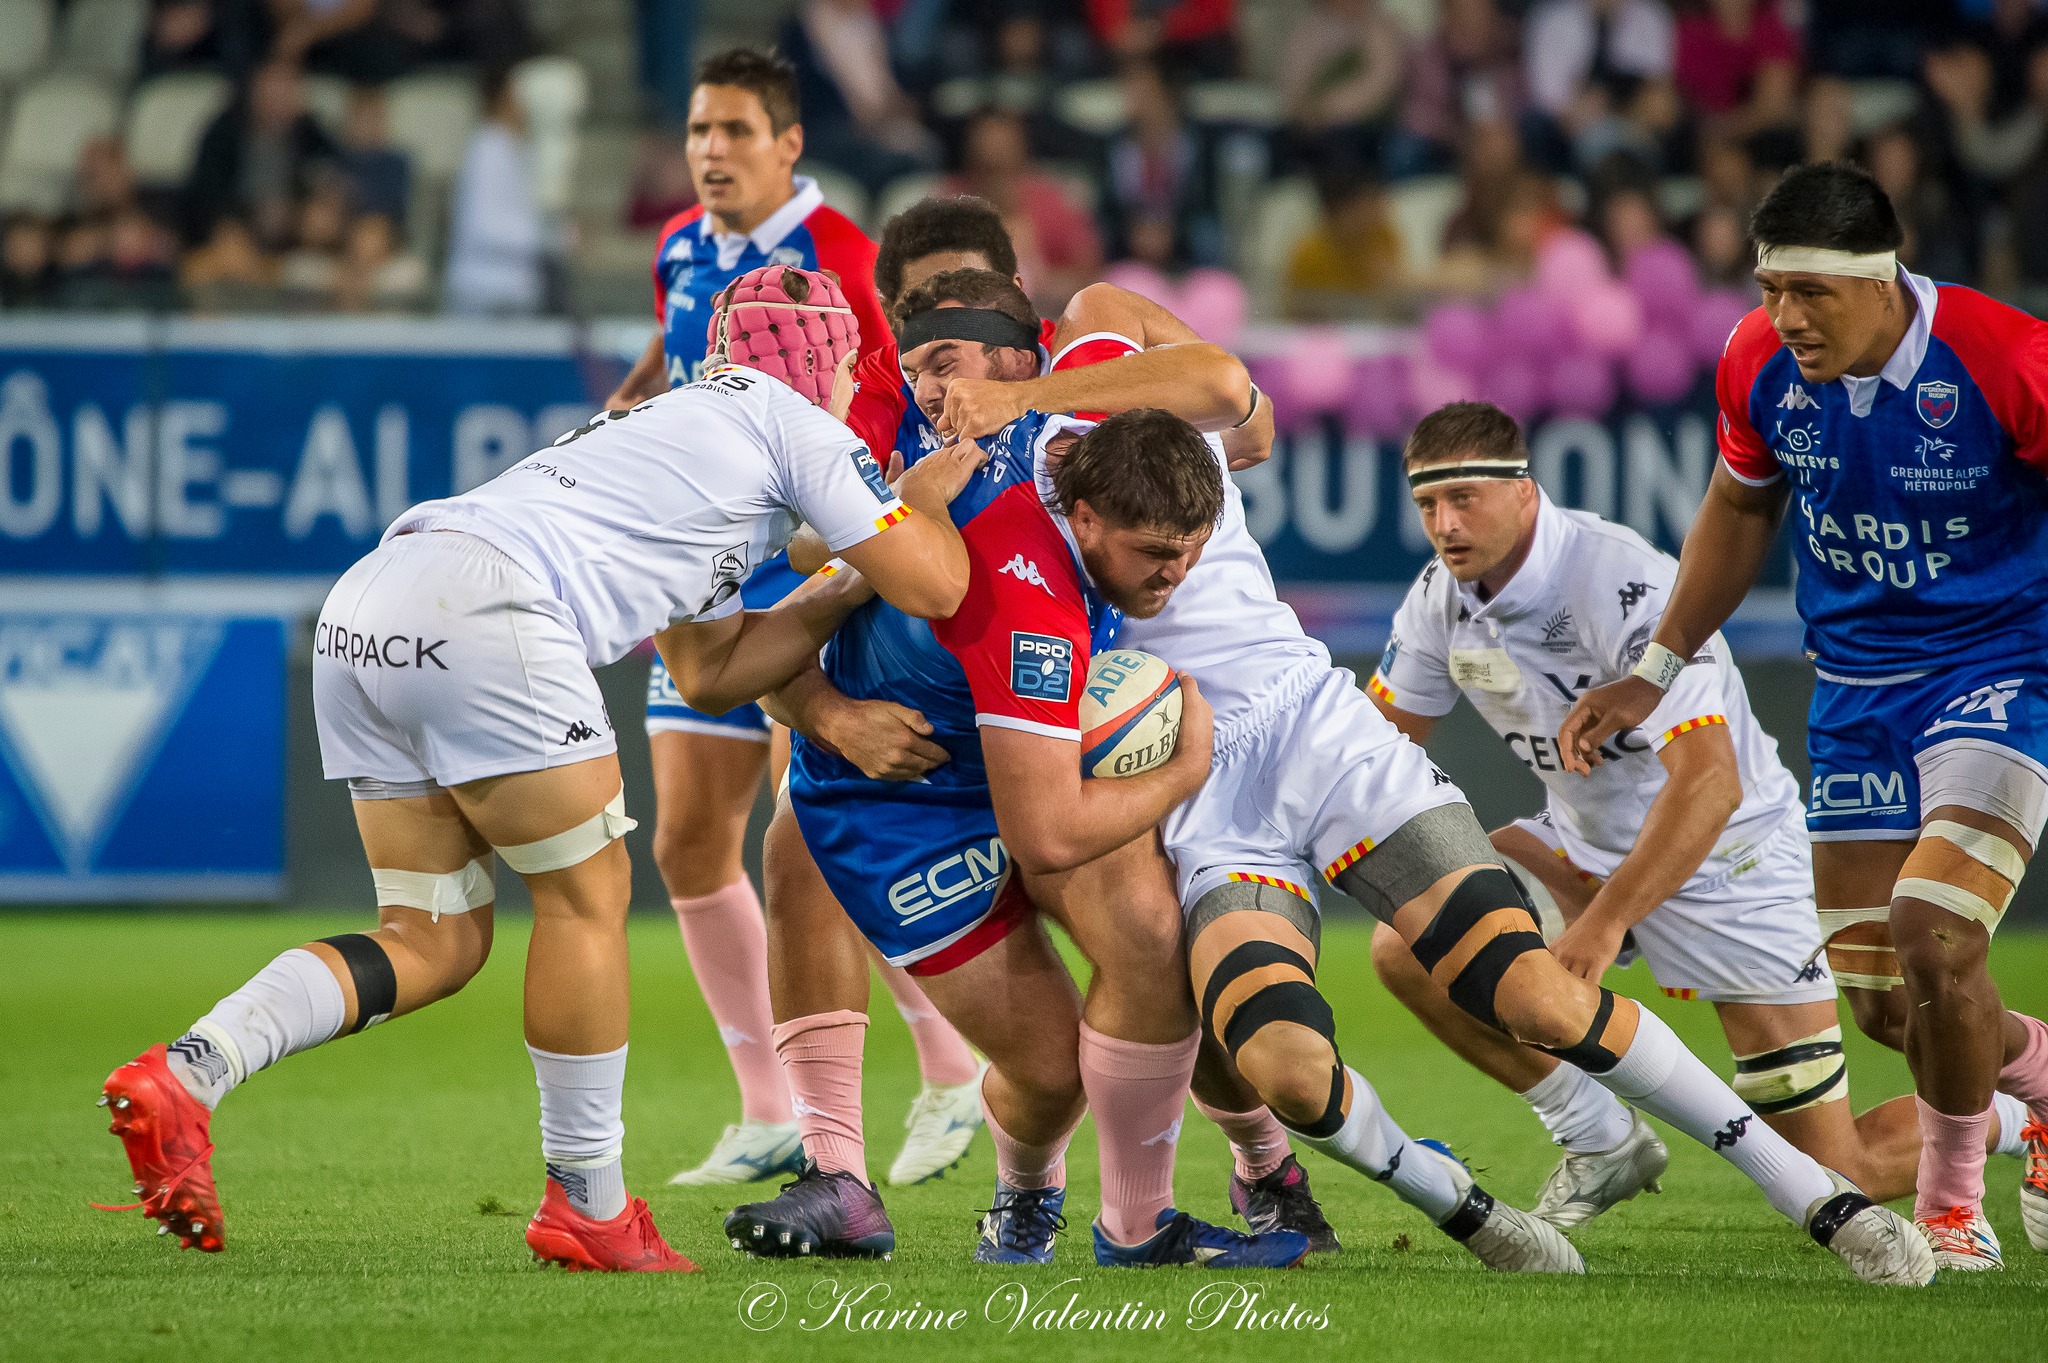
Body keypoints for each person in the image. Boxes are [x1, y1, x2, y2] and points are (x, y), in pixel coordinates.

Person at [97, 265, 981, 1272]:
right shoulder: (801, 425)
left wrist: (827, 584)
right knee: (585, 896)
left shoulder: (676, 429)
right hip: (490, 608)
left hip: (373, 601)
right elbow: (937, 585)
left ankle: (188, 1071)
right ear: (833, 365)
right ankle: (589, 1206)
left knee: (430, 938)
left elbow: (710, 671)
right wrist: (915, 504)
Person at [1368, 400, 2035, 1228]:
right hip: (1580, 850)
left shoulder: (1621, 583)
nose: (1444, 522)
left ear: (1526, 492)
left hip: (1732, 863)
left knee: (1835, 1165)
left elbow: (1710, 786)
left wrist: (1608, 922)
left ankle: (2022, 1117)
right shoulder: (1440, 598)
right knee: (1408, 938)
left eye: (1464, 497)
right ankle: (1597, 1132)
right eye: (1428, 504)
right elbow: (1375, 748)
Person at [734, 321, 1313, 1267]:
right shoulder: (868, 456)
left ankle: (1196, 1195)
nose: (931, 384)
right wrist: (829, 715)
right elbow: (737, 637)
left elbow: (1222, 385)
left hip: (1031, 752)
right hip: (919, 796)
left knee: (1160, 940)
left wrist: (1246, 416)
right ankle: (874, 1172)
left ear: (1020, 352)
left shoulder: (1080, 388)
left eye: (950, 358)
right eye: (911, 353)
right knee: (1044, 1070)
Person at [1559, 161, 2048, 1270]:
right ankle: (2040, 1087)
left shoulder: (2006, 359)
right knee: (1885, 1000)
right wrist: (1656, 663)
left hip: (2002, 668)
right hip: (1856, 691)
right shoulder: (1756, 364)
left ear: (1881, 281)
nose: (1783, 317)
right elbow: (1739, 505)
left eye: (1809, 294)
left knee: (1937, 933)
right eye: (1769, 287)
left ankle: (1949, 1205)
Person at [599, 49, 987, 1189]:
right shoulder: (682, 246)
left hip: (813, 562)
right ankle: (766, 1108)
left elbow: (880, 411)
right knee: (681, 840)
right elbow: (674, 350)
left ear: (787, 145)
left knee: (806, 837)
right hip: (711, 556)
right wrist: (631, 404)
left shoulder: (849, 262)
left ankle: (949, 1068)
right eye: (696, 131)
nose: (709, 151)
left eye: (731, 130)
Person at [444, 65, 547, 317]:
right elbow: (483, 226)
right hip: (482, 290)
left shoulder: (520, 150)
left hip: (514, 289)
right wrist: (549, 238)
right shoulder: (487, 149)